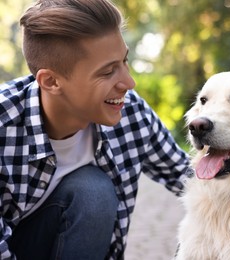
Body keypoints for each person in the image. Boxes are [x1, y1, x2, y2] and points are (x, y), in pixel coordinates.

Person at [0, 0, 191, 259]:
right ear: (51, 81)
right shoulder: (4, 125)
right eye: (108, 72)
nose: (129, 82)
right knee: (93, 191)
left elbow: (190, 180)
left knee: (92, 191)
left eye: (125, 61)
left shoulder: (131, 113)